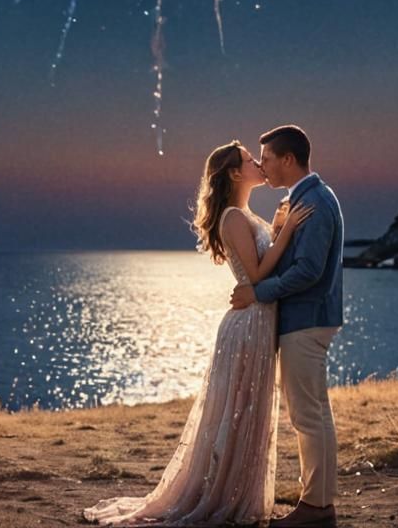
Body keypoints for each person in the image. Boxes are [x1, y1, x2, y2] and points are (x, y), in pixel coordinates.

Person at [84, 140, 314, 526]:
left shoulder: (245, 214)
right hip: (248, 325)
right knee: (238, 413)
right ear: (234, 173)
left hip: (258, 321)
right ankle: (222, 497)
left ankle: (240, 495)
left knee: (250, 414)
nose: (259, 163)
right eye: (249, 160)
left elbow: (262, 265)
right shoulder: (233, 218)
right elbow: (258, 276)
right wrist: (287, 230)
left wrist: (275, 227)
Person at [230, 125, 344, 528]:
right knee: (314, 413)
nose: (263, 166)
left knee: (308, 415)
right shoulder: (306, 199)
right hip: (308, 319)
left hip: (306, 321)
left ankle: (316, 509)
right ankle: (321, 505)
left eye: (268, 159)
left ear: (288, 160)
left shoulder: (314, 202)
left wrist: (258, 293)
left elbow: (310, 271)